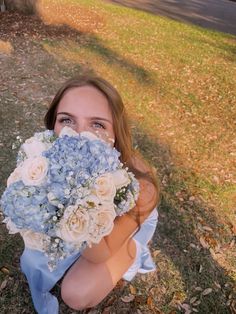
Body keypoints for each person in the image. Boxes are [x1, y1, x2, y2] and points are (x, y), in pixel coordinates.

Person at [20, 74, 160, 313]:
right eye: (67, 120)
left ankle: (133, 252)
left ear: (116, 131)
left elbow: (98, 253)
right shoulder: (46, 156)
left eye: (97, 124)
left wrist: (72, 199)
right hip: (82, 228)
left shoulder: (142, 186)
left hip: (115, 235)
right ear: (53, 124)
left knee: (75, 293)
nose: (78, 135)